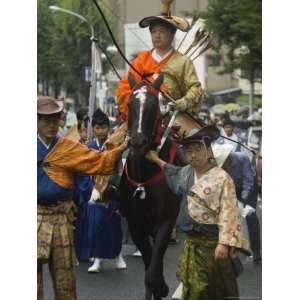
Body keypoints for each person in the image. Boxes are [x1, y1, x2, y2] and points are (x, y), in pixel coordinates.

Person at [37, 97, 128, 300]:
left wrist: (119, 149)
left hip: (62, 216)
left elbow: (94, 163)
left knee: (66, 282)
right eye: (45, 120)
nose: (52, 125)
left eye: (55, 119)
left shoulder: (67, 147)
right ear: (35, 121)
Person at [146, 126, 250, 300]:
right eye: (188, 151)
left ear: (208, 150)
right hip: (193, 243)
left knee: (219, 292)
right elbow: (172, 172)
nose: (192, 155)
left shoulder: (222, 178)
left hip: (214, 245)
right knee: (196, 289)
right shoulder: (186, 173)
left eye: (197, 150)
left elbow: (229, 212)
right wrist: (156, 160)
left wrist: (224, 243)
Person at [115, 0, 203, 122]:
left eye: (162, 31)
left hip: (174, 116)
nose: (157, 35)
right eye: (154, 31)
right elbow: (125, 86)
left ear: (172, 34)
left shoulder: (183, 61)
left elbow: (195, 88)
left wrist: (183, 102)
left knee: (195, 139)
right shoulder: (141, 60)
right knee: (115, 140)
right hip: (143, 117)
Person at [76, 108, 127, 272]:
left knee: (114, 226)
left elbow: (120, 168)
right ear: (93, 129)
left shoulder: (114, 145)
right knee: (96, 225)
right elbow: (84, 170)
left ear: (108, 128)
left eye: (103, 127)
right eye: (97, 128)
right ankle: (97, 260)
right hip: (95, 192)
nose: (100, 131)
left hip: (112, 192)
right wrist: (89, 189)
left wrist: (116, 185)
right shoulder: (89, 146)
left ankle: (118, 255)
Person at [212, 144, 262, 264]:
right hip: (232, 189)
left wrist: (243, 202)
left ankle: (256, 251)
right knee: (229, 217)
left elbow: (248, 181)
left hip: (248, 188)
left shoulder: (242, 158)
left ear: (228, 157)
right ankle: (233, 247)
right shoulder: (218, 165)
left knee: (250, 216)